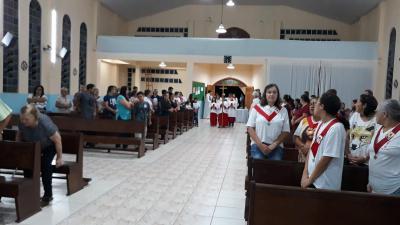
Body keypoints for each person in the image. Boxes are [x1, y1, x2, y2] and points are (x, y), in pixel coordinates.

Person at [16, 104, 63, 205]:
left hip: (49, 146)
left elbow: (57, 139)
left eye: (26, 119)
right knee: (27, 165)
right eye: (22, 119)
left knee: (46, 165)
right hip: (32, 145)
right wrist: (18, 148)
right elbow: (19, 134)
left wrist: (59, 158)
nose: (23, 122)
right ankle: (29, 192)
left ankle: (48, 195)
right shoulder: (22, 122)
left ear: (35, 117)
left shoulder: (45, 123)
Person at [301, 92, 346, 190]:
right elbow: (312, 149)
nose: (313, 106)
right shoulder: (321, 123)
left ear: (322, 106)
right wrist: (305, 174)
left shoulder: (336, 128)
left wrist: (309, 180)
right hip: (313, 179)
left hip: (325, 184)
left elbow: (327, 158)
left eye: (316, 103)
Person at [246, 84, 290, 160]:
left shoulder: (283, 110)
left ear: (277, 95)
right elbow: (250, 128)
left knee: (274, 166)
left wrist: (273, 145)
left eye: (274, 92)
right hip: (257, 145)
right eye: (269, 92)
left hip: (276, 146)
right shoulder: (257, 108)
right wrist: (260, 145)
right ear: (265, 94)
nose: (271, 94)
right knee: (258, 165)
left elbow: (285, 131)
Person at [368, 99, 400, 196]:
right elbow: (374, 156)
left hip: (394, 190)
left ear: (385, 114)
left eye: (377, 112)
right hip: (374, 188)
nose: (375, 114)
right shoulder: (378, 129)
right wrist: (370, 181)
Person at [347, 95, 378, 166]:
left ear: (364, 105)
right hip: (350, 161)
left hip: (367, 164)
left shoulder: (376, 120)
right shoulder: (355, 116)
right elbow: (347, 137)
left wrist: (365, 158)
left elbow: (376, 143)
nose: (355, 104)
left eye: (358, 102)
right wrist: (348, 154)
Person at [294, 97, 320, 162]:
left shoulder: (324, 123)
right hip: (303, 156)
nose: (312, 106)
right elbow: (295, 137)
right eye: (311, 104)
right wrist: (303, 146)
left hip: (318, 157)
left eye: (314, 104)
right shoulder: (304, 120)